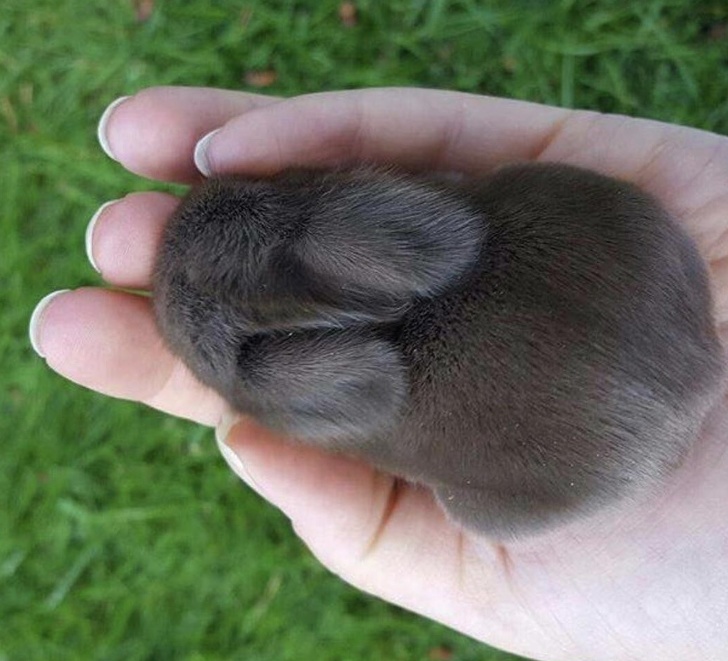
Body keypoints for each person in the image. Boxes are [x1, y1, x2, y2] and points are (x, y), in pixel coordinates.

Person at [29, 87, 728, 661]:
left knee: (485, 498)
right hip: (642, 290)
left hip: (600, 459)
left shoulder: (326, 392)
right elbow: (441, 239)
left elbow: (389, 342)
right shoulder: (398, 235)